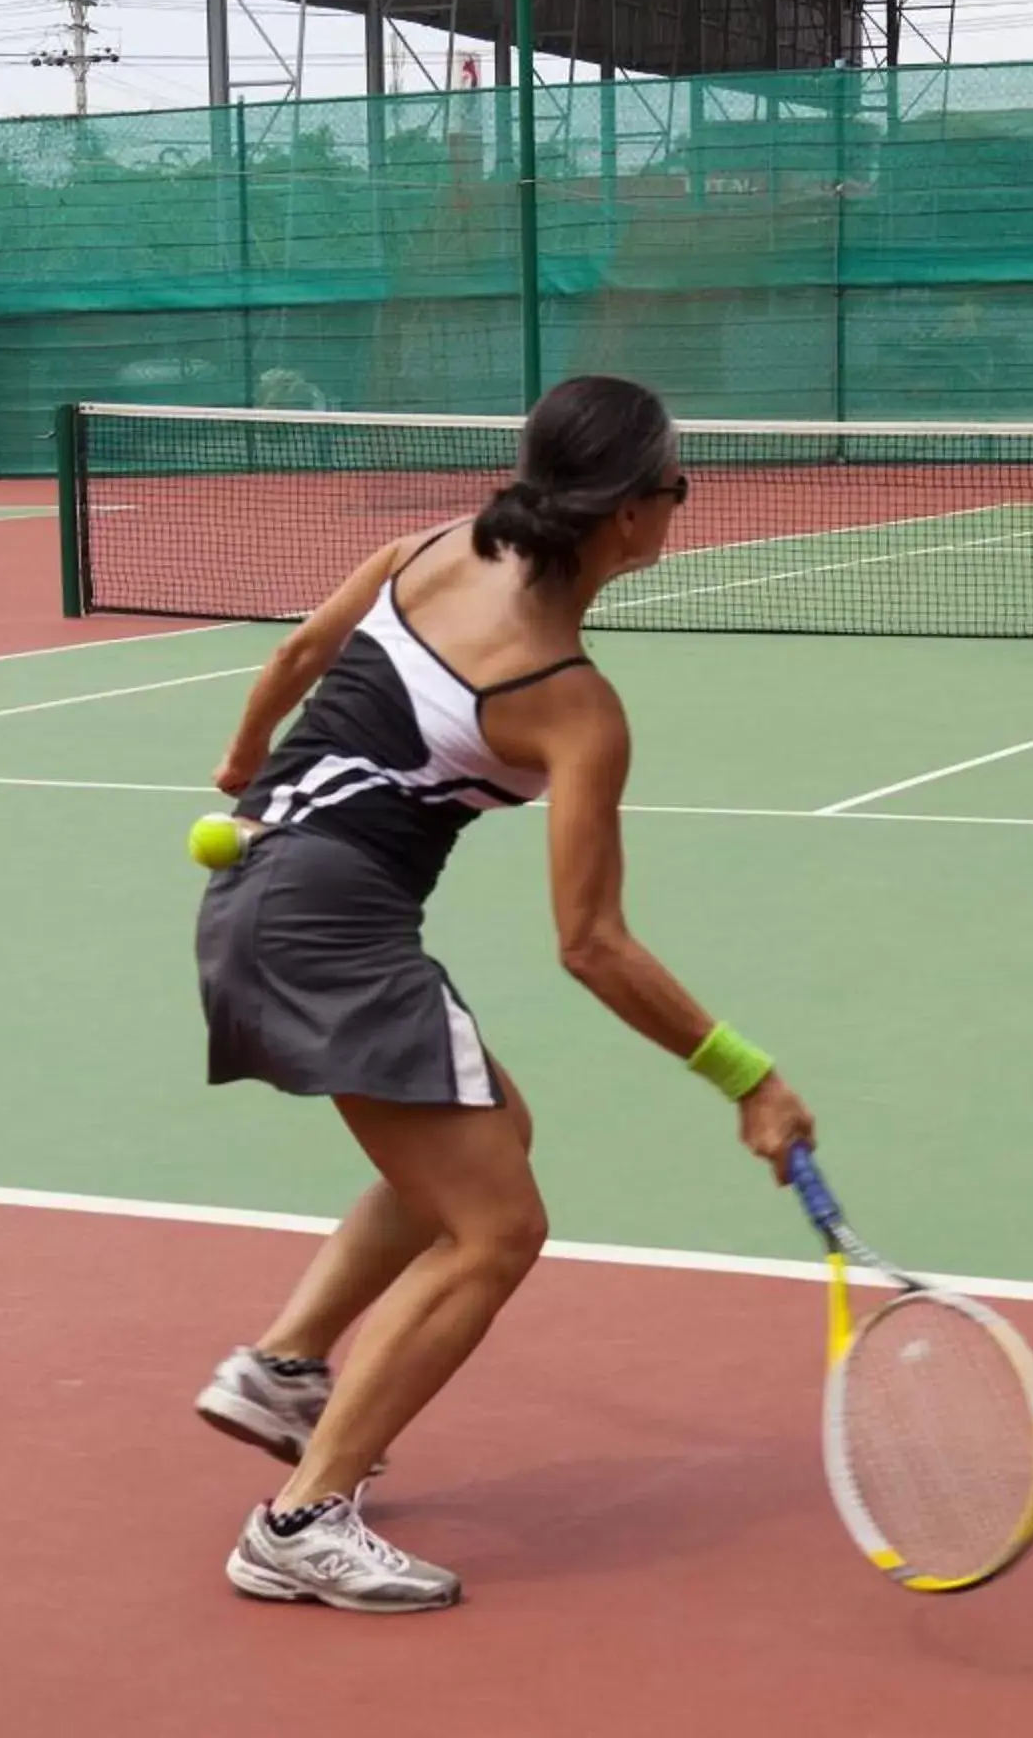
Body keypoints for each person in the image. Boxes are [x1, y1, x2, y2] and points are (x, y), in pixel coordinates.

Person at [187, 375, 817, 1613]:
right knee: (501, 1227)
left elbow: (299, 652)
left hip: (263, 892)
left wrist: (241, 760)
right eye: (680, 486)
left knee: (488, 1142)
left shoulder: (432, 546)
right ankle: (303, 1516)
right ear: (632, 515)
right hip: (326, 923)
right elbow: (592, 944)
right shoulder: (569, 702)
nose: (684, 506)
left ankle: (283, 1368)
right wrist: (751, 1075)